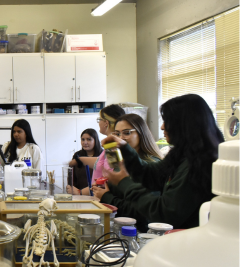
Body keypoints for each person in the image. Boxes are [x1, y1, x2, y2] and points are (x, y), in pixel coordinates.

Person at [95, 94, 224, 229]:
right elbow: (152, 176)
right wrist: (125, 148)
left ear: (183, 124)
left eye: (166, 121)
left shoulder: (199, 163)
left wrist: (124, 183)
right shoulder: (182, 153)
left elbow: (165, 213)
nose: (162, 127)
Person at [92, 114, 163, 231]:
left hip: (141, 232)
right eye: (117, 134)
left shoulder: (151, 166)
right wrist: (102, 188)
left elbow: (141, 211)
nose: (120, 138)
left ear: (141, 133)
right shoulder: (121, 164)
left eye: (127, 132)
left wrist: (106, 196)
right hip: (120, 228)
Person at [72, 104, 126, 195]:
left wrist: (80, 192)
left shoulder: (113, 147)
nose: (98, 123)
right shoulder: (109, 145)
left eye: (99, 120)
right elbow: (103, 164)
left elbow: (111, 176)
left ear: (106, 123)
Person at [69, 129, 102, 195]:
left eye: (89, 139)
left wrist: (81, 192)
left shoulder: (102, 155)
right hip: (78, 196)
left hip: (97, 195)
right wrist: (72, 189)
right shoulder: (77, 155)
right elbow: (72, 177)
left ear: (95, 140)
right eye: (83, 139)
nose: (85, 142)